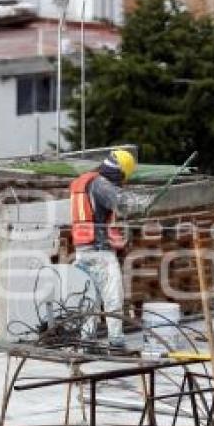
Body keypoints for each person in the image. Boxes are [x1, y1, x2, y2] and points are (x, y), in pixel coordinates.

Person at [70, 149, 148, 348]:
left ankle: (87, 341)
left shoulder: (84, 182)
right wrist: (146, 203)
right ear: (122, 172)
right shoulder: (102, 185)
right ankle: (116, 343)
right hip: (99, 252)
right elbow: (125, 203)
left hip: (82, 250)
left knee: (89, 298)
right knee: (112, 297)